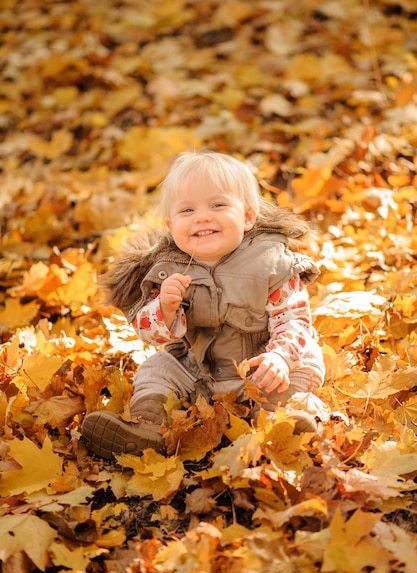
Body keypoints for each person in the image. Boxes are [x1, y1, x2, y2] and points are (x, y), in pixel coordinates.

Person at [81, 151, 325, 459]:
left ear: (248, 217)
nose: (202, 217)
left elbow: (294, 319)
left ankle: (285, 423)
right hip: (198, 371)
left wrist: (279, 357)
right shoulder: (166, 270)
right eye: (187, 210)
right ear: (171, 225)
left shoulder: (271, 263)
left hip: (261, 366)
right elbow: (149, 334)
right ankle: (148, 426)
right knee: (154, 371)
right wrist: (165, 310)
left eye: (218, 205)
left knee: (301, 371)